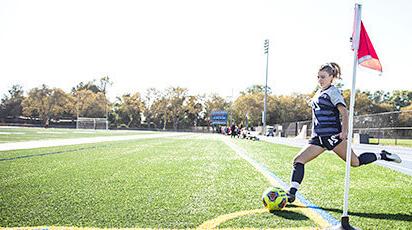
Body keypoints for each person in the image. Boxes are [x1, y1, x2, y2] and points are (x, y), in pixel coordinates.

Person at [286, 62, 402, 203]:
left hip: (333, 136)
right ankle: (291, 193)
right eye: (318, 77)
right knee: (298, 160)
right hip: (318, 139)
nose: (320, 80)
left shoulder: (333, 92)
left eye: (323, 77)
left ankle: (383, 155)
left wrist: (344, 132)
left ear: (331, 77)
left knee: (355, 162)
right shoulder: (319, 92)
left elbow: (344, 113)